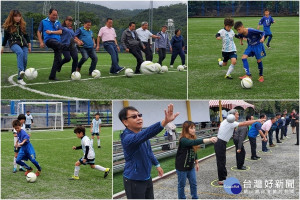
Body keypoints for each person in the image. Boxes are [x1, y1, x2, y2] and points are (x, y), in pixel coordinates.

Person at [118, 104, 179, 199]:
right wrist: (165, 122)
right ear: (125, 122)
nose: (139, 118)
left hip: (146, 177)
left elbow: (149, 152)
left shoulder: (142, 133)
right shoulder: (127, 138)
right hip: (134, 180)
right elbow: (144, 135)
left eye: (139, 115)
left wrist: (157, 165)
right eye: (134, 117)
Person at [214, 109, 264, 185]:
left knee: (222, 161)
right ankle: (221, 179)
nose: (238, 116)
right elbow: (244, 123)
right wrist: (256, 120)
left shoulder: (228, 121)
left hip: (221, 142)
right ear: (232, 115)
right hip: (220, 142)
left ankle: (223, 177)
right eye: (237, 114)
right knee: (221, 161)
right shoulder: (229, 121)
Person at [176, 121, 217, 199]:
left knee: (193, 183)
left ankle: (195, 197)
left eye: (194, 128)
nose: (194, 130)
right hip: (182, 167)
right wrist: (209, 139)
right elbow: (193, 143)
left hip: (190, 167)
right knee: (181, 185)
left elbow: (194, 151)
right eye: (191, 128)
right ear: (186, 129)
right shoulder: (183, 140)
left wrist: (196, 162)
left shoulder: (192, 138)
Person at [37, 8, 69, 81]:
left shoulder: (58, 23)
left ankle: (52, 76)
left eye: (56, 15)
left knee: (57, 59)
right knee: (58, 46)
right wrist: (41, 42)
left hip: (58, 42)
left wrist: (51, 32)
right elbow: (38, 32)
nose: (55, 16)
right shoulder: (43, 21)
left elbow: (60, 31)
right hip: (49, 40)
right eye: (53, 15)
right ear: (49, 14)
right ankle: (66, 48)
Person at [2, 10, 31, 85]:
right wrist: (2, 47)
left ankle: (20, 79)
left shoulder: (22, 25)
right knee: (20, 52)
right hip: (13, 43)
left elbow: (26, 35)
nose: (18, 18)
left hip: (23, 44)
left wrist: (29, 44)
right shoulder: (8, 26)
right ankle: (21, 70)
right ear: (12, 17)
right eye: (16, 16)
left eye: (19, 16)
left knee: (25, 59)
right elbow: (5, 38)